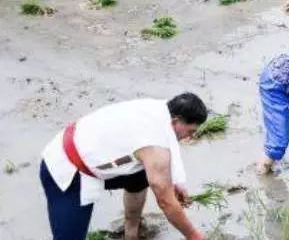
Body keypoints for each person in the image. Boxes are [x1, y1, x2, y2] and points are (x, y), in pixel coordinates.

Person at [39, 93, 208, 240]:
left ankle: (131, 232)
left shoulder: (162, 108)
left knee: (142, 174)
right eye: (190, 132)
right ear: (176, 121)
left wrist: (178, 181)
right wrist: (194, 236)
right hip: (66, 168)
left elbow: (169, 142)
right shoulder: (153, 143)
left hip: (92, 152)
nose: (189, 137)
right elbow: (165, 202)